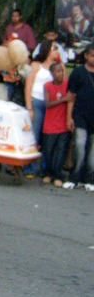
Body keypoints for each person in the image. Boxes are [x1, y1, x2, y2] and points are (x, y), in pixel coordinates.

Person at [24, 40, 60, 178]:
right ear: (47, 50)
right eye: (54, 48)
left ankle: (45, 168)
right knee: (34, 135)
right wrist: (30, 107)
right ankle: (30, 168)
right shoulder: (36, 65)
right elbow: (29, 85)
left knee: (49, 137)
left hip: (52, 105)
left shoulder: (58, 66)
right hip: (37, 101)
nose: (57, 51)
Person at [64, 43, 94, 191]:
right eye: (93, 55)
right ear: (87, 56)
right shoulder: (78, 73)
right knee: (80, 146)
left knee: (92, 152)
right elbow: (71, 97)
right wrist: (69, 117)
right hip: (80, 115)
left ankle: (89, 179)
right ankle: (74, 177)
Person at [42, 62, 70, 187]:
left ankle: (57, 175)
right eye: (57, 71)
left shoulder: (67, 85)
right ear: (52, 73)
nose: (60, 73)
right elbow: (47, 104)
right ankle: (48, 173)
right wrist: (62, 100)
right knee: (48, 150)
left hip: (63, 122)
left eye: (62, 71)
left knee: (61, 150)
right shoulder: (47, 86)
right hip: (50, 123)